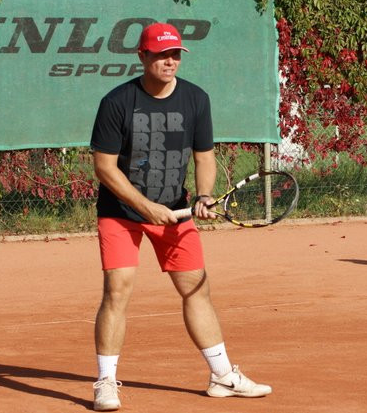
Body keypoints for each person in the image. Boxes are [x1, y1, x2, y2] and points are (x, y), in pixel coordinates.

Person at [89, 22, 271, 411]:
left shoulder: (196, 99)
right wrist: (146, 208)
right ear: (142, 56)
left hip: (176, 210)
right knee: (117, 290)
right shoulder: (117, 102)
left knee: (196, 288)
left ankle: (222, 376)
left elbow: (204, 156)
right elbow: (105, 167)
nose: (170, 61)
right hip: (121, 213)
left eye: (175, 54)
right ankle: (105, 381)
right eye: (161, 54)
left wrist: (204, 195)